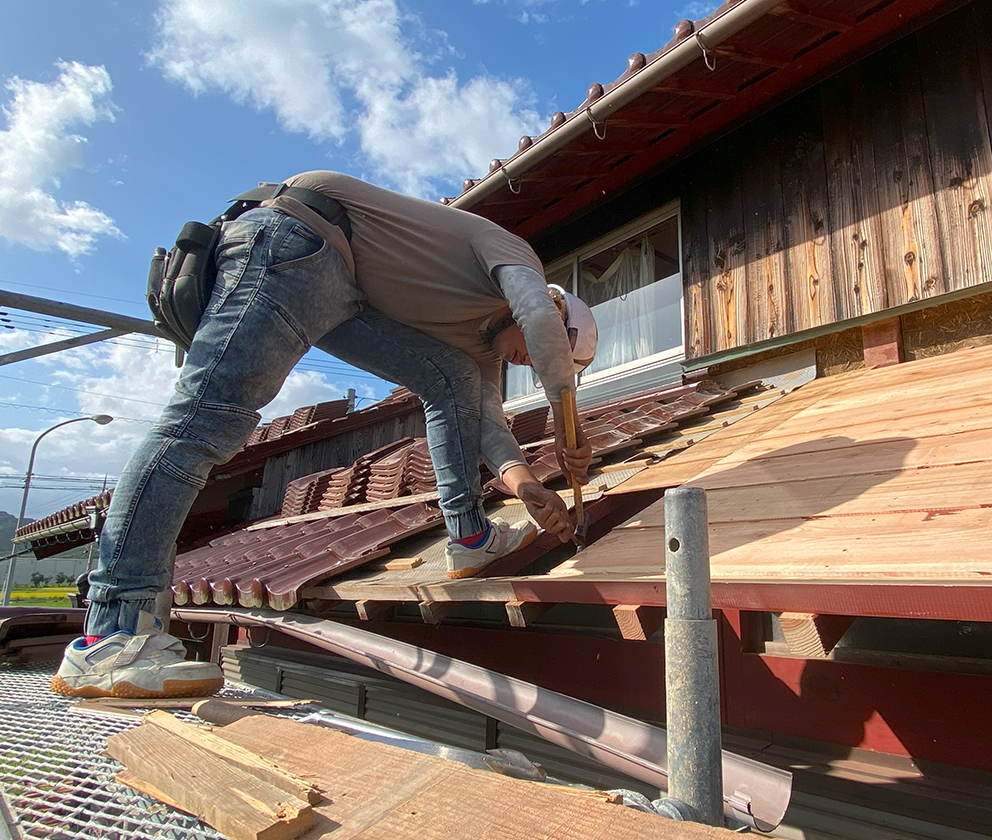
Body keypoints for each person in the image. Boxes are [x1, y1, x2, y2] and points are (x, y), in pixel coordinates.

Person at [51, 171, 597, 699]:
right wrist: (565, 418)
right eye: (552, 354)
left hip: (344, 289)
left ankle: (471, 538)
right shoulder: (515, 258)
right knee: (205, 423)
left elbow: (488, 424)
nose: (531, 361)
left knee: (451, 379)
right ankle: (111, 636)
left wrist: (526, 487)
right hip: (297, 236)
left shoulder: (477, 352)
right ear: (556, 312)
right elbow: (535, 314)